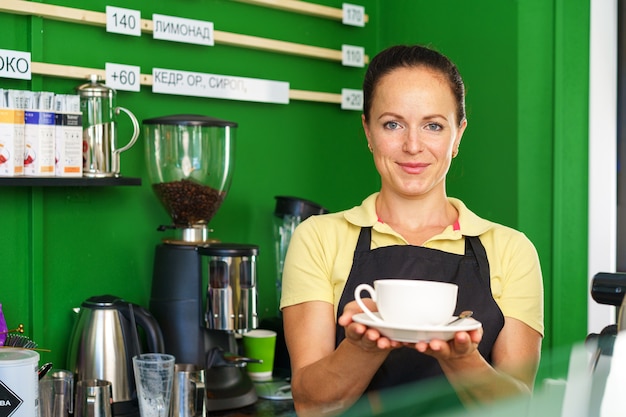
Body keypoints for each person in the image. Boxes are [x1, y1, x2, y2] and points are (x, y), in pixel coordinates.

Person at [280, 44, 544, 416]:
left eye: (433, 125)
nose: (413, 146)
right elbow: (309, 403)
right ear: (368, 131)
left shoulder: (512, 250)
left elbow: (519, 407)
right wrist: (364, 345)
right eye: (392, 124)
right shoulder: (318, 238)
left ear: (458, 136)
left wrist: (460, 357)